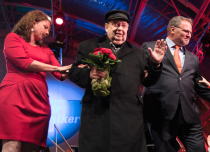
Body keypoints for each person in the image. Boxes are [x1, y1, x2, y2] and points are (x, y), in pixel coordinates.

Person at [68, 10, 167, 152]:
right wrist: (89, 73)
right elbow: (73, 72)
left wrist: (156, 64)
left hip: (129, 117)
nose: (120, 28)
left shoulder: (138, 53)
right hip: (97, 114)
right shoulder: (88, 46)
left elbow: (148, 81)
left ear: (127, 29)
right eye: (116, 24)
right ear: (106, 26)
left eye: (124, 25)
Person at [142, 16, 210, 152]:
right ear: (172, 29)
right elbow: (144, 78)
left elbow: (199, 87)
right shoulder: (150, 47)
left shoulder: (193, 59)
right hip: (161, 117)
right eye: (186, 31)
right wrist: (155, 63)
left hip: (190, 118)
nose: (189, 35)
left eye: (190, 33)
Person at [0, 10, 71, 151]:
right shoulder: (13, 38)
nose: (47, 33)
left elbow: (61, 74)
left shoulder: (46, 50)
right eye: (45, 27)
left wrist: (81, 67)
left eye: (49, 30)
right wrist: (61, 69)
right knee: (12, 146)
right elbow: (26, 63)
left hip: (39, 103)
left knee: (31, 149)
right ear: (33, 23)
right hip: (14, 97)